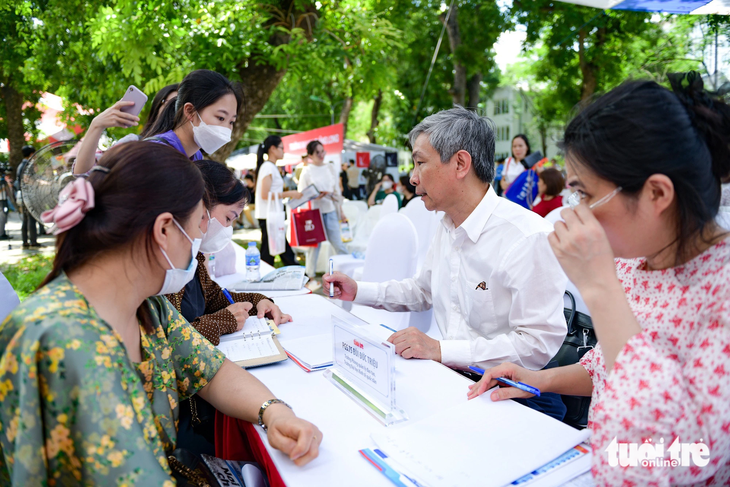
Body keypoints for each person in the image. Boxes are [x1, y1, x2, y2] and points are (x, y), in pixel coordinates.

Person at [0, 142, 321, 485]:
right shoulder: (61, 342)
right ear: (164, 229)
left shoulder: (147, 308)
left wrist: (273, 411)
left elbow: (211, 371)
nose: (201, 236)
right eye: (198, 222)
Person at [468, 74, 730, 485]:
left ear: (657, 194)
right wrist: (540, 380)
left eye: (586, 195)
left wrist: (598, 286)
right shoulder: (636, 263)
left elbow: (685, 454)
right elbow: (611, 368)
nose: (576, 212)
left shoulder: (721, 288)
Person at [324, 107, 568, 420]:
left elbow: (536, 345)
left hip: (516, 396)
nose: (412, 178)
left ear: (460, 163)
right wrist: (358, 291)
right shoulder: (447, 223)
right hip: (454, 381)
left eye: (420, 162)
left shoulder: (525, 236)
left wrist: (441, 350)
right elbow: (423, 291)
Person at [165, 158, 292, 457]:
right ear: (201, 209)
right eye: (229, 218)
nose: (227, 229)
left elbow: (217, 298)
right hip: (186, 412)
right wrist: (221, 322)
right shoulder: (168, 269)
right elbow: (167, 343)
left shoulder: (191, 261)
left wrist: (260, 302)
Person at [73, 83, 179, 175]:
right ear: (156, 109)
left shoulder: (193, 158)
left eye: (178, 104)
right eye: (169, 103)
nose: (174, 109)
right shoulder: (133, 143)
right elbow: (84, 173)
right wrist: (96, 125)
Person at [298, 140, 349, 278]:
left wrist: (340, 210)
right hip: (314, 214)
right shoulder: (306, 171)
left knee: (338, 244)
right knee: (314, 247)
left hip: (330, 210)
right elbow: (301, 195)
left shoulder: (330, 168)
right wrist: (314, 196)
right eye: (317, 152)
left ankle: (348, 271)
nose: (321, 155)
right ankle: (310, 276)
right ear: (310, 155)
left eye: (322, 151)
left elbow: (337, 192)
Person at [255, 135, 301, 266]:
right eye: (282, 148)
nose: (283, 151)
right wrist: (289, 193)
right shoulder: (268, 167)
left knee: (273, 251)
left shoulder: (270, 167)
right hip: (269, 215)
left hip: (271, 215)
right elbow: (265, 194)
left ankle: (297, 274)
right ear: (273, 149)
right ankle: (299, 275)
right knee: (276, 250)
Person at [15, 146, 42, 248]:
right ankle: (33, 241)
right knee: (31, 218)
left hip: (23, 194)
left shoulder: (20, 165)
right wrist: (38, 183)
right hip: (28, 195)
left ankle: (25, 241)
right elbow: (27, 179)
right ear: (31, 154)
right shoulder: (27, 165)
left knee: (26, 219)